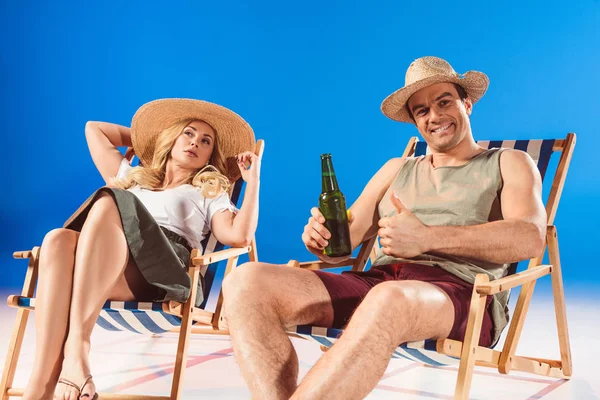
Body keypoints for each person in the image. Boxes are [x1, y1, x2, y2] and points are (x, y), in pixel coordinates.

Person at [222, 56, 546, 399]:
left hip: (463, 295)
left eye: (444, 102)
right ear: (415, 122)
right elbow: (343, 249)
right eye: (421, 111)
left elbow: (530, 238)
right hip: (381, 284)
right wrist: (321, 242)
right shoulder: (396, 169)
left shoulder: (508, 161)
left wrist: (427, 238)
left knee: (387, 298)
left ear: (467, 104)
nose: (434, 116)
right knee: (245, 281)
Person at [22, 98, 261, 400]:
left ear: (209, 157)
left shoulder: (210, 191)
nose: (194, 143)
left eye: (205, 141)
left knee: (111, 198)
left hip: (167, 273)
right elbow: (94, 129)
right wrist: (150, 138)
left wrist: (253, 181)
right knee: (57, 239)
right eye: (187, 133)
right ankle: (39, 390)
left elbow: (239, 237)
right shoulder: (135, 178)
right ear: (172, 139)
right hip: (113, 265)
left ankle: (77, 349)